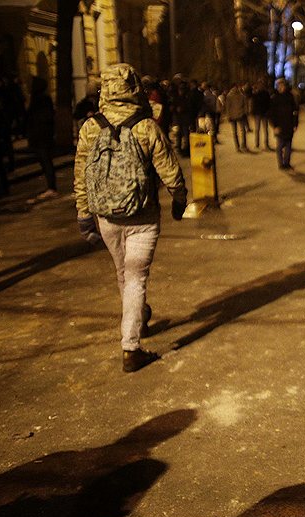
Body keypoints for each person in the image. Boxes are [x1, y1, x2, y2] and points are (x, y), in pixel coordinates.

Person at [72, 63, 187, 373]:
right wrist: (179, 200)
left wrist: (84, 214)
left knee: (124, 274)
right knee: (136, 278)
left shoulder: (90, 127)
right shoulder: (146, 126)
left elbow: (81, 174)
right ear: (135, 88)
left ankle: (137, 317)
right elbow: (170, 171)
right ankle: (131, 347)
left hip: (106, 216)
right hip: (143, 216)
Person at [26, 76, 57, 199]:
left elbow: (41, 118)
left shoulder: (40, 100)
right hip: (41, 136)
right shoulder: (40, 99)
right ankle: (51, 186)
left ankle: (51, 187)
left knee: (46, 161)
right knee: (45, 161)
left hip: (41, 137)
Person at [268, 78, 298, 170]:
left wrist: (295, 124)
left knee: (288, 146)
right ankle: (281, 164)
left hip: (289, 125)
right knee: (280, 146)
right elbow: (271, 114)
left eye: (282, 85)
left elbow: (295, 111)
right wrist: (274, 126)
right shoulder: (274, 98)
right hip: (279, 126)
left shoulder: (290, 97)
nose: (281, 87)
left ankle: (287, 163)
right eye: (279, 86)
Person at [224, 83, 249, 152]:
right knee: (242, 131)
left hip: (233, 116)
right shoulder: (241, 95)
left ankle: (238, 147)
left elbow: (227, 107)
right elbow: (245, 106)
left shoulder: (229, 96)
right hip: (240, 115)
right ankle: (243, 146)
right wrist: (245, 112)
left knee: (236, 132)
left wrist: (228, 115)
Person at [250, 80, 273, 150]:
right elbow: (269, 104)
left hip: (259, 113)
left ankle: (257, 144)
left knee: (258, 129)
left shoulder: (256, 93)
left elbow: (253, 104)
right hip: (263, 113)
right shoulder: (265, 93)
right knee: (264, 129)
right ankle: (265, 145)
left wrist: (252, 112)